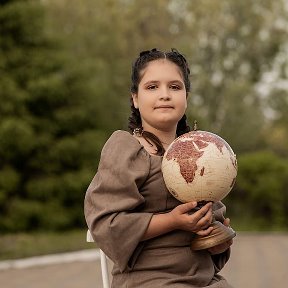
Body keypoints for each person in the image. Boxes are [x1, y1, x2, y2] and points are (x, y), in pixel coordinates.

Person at [84, 48, 233, 287]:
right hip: (150, 278)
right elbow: (107, 224)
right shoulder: (126, 149)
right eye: (152, 87)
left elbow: (213, 238)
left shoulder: (203, 151)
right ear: (135, 98)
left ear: (187, 96)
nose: (164, 95)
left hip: (203, 279)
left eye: (175, 87)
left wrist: (217, 242)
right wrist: (172, 221)